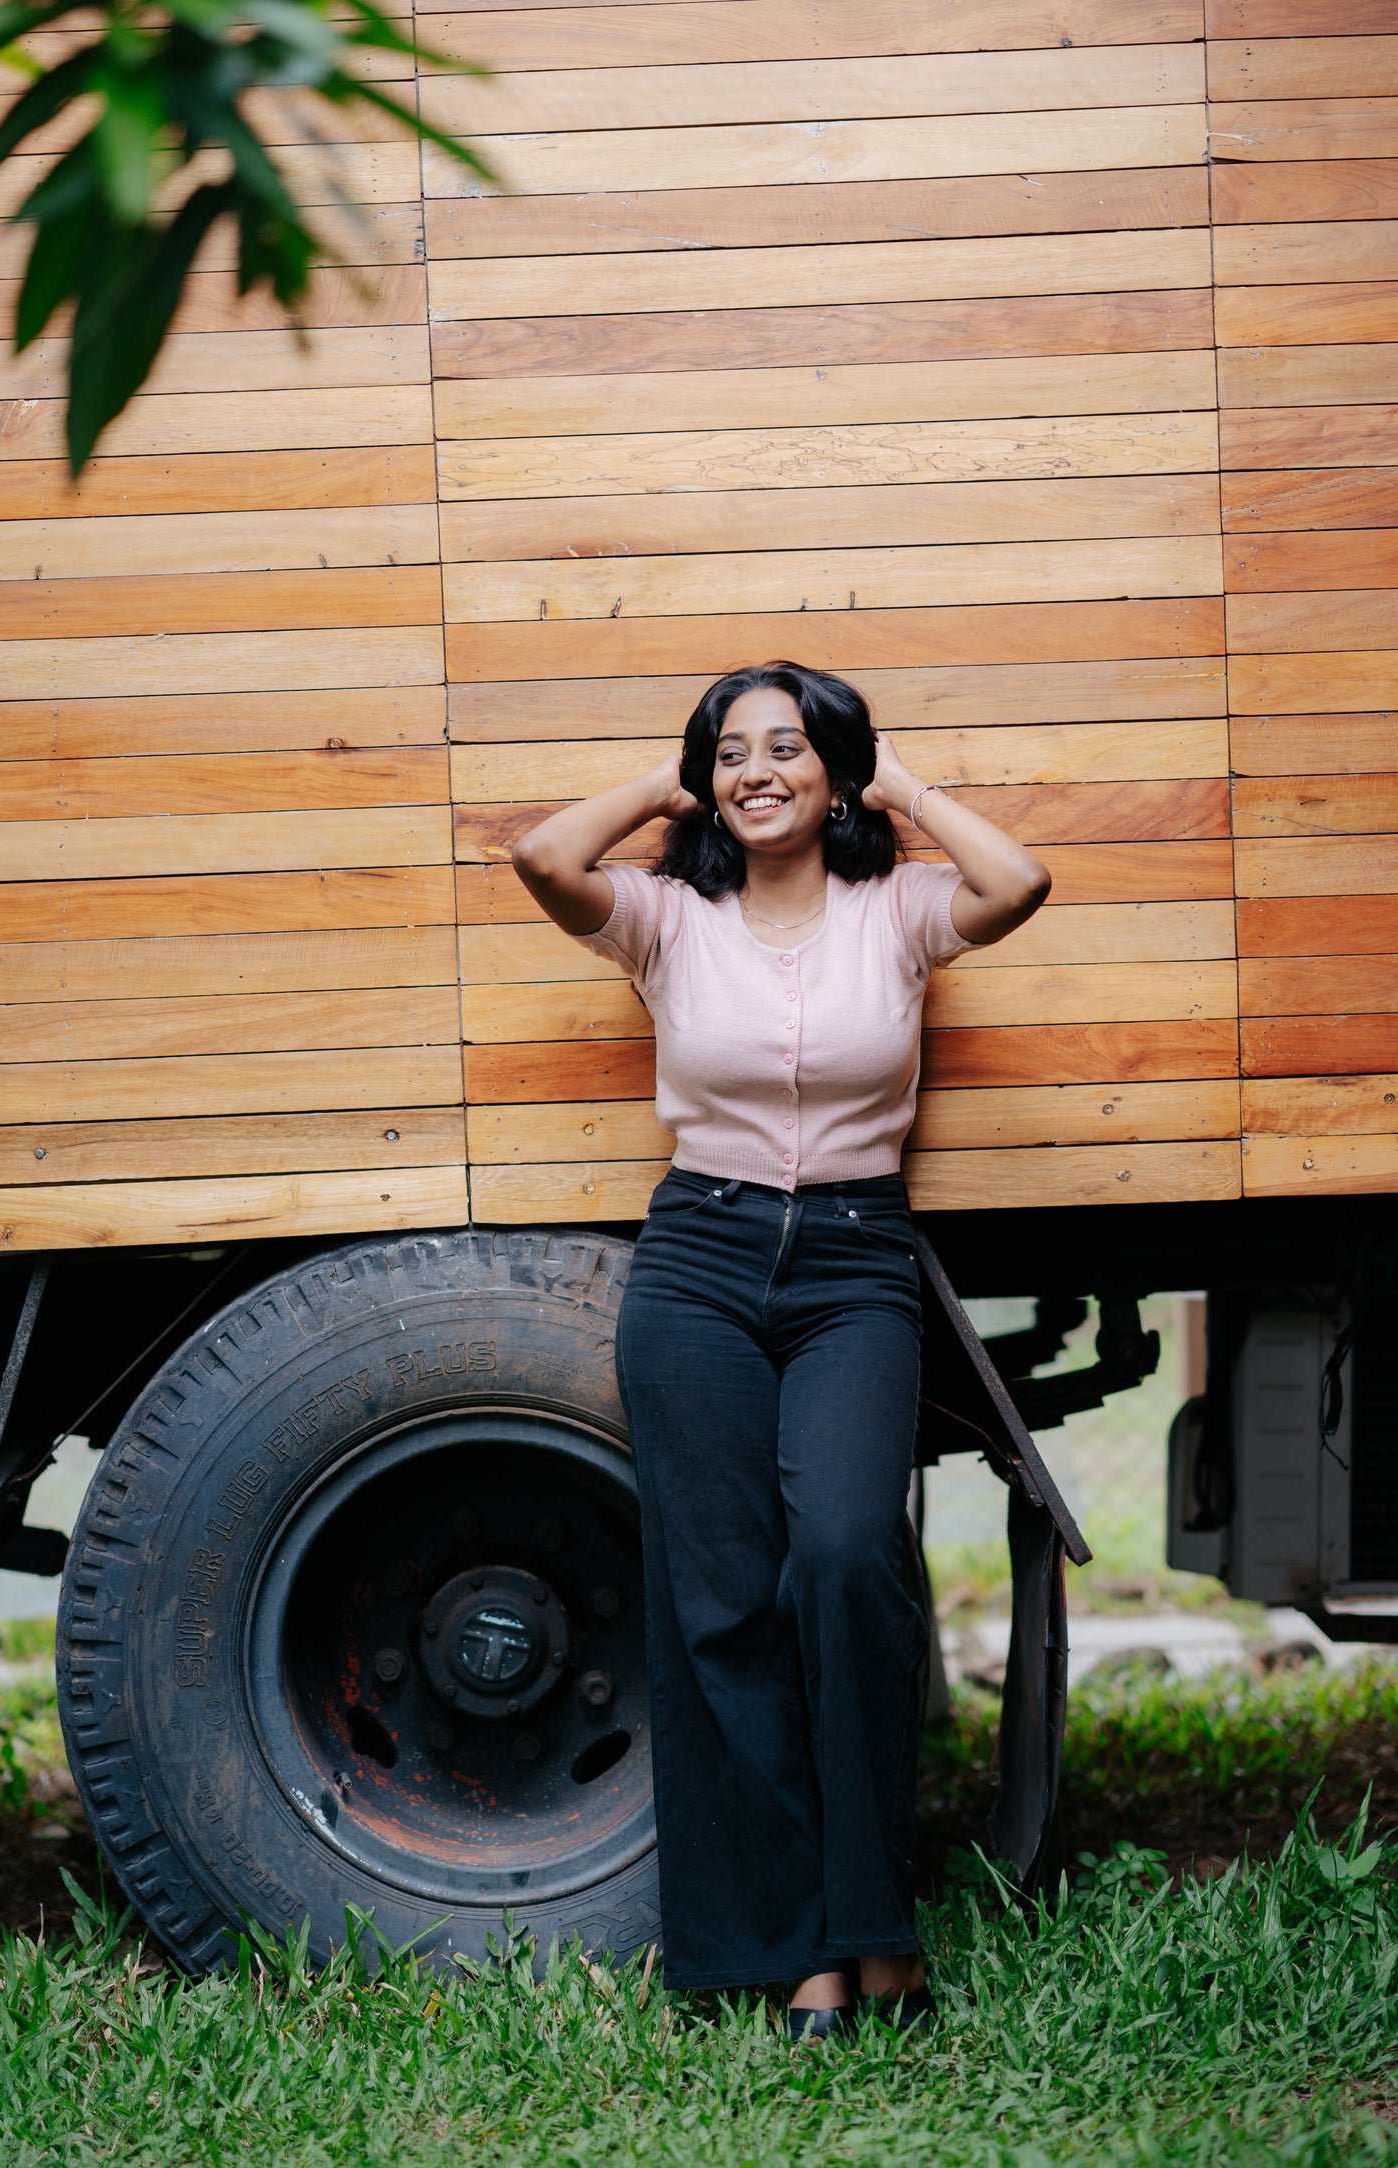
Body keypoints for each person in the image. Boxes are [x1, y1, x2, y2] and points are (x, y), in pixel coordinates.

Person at [511, 661, 1050, 2039]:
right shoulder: (663, 921)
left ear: (834, 772)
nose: (758, 770)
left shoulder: (902, 912)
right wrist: (661, 785)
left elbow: (1020, 880)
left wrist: (900, 787)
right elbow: (541, 857)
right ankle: (800, 1952)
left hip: (857, 1267)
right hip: (695, 1264)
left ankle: (879, 1923)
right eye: (731, 751)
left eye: (788, 748)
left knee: (845, 1554)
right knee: (724, 1602)